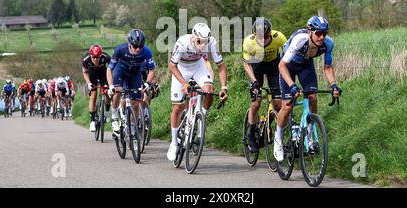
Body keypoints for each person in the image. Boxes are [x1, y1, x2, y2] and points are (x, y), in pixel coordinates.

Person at [276, 16, 342, 161]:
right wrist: (292, 85)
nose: (321, 37)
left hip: (306, 65)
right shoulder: (300, 40)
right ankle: (278, 140)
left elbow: (328, 67)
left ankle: (310, 135)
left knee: (312, 97)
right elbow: (281, 65)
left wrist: (333, 85)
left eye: (324, 33)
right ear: (309, 32)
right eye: (318, 33)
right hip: (288, 65)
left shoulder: (328, 44)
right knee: (287, 106)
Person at [167, 22, 228, 161]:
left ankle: (201, 118)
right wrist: (183, 83)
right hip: (181, 69)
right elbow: (172, 66)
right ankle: (174, 142)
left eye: (205, 42)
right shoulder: (182, 42)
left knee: (208, 89)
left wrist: (224, 87)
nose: (203, 45)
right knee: (177, 107)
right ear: (194, 37)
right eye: (200, 41)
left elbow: (221, 66)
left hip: (198, 67)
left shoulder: (211, 42)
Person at [242, 17, 287, 153]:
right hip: (257, 66)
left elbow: (288, 56)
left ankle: (271, 125)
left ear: (271, 33)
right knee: (256, 103)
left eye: (266, 36)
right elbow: (247, 64)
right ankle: (251, 136)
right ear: (254, 34)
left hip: (274, 66)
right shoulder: (248, 42)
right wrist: (254, 82)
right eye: (260, 36)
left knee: (279, 103)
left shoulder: (278, 37)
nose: (263, 40)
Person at [106, 29, 157, 138]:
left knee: (135, 104)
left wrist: (147, 83)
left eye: (140, 46)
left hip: (135, 74)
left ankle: (133, 126)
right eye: (135, 46)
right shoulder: (120, 50)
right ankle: (114, 115)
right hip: (120, 72)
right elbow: (109, 69)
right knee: (118, 91)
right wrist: (111, 86)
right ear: (130, 44)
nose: (138, 49)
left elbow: (152, 70)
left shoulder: (146, 51)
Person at [82, 44, 112, 132]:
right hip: (92, 75)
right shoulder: (85, 59)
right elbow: (85, 72)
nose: (95, 59)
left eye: (97, 57)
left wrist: (111, 84)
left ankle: (106, 111)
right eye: (93, 57)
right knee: (93, 95)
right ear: (90, 55)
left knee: (107, 92)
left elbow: (112, 70)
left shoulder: (106, 57)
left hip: (103, 74)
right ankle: (92, 121)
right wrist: (88, 84)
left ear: (101, 55)